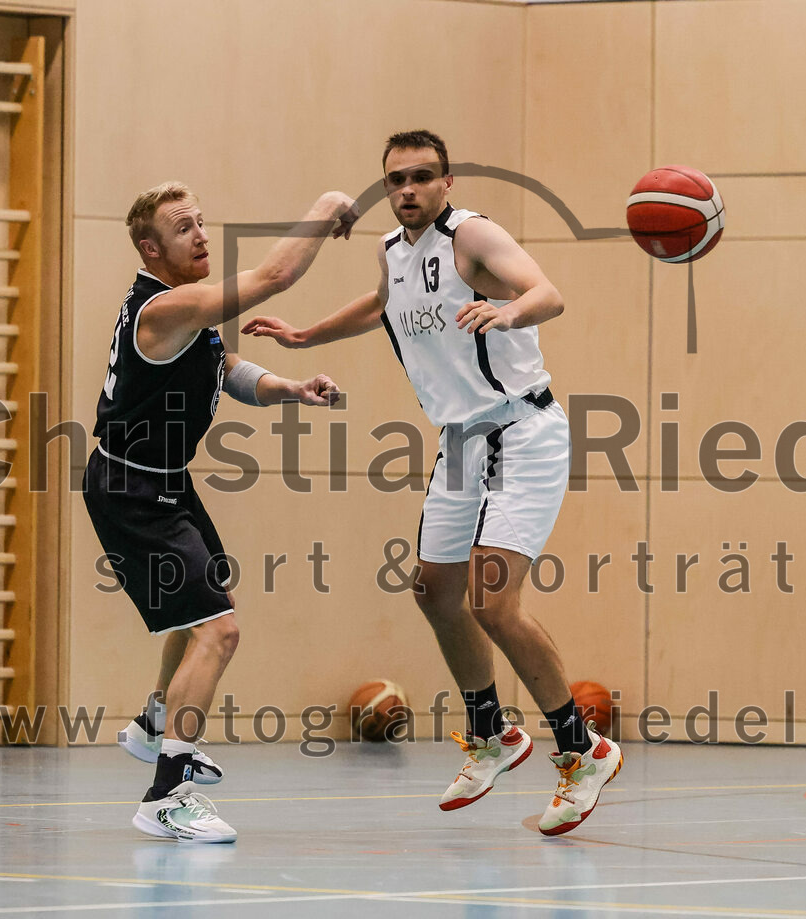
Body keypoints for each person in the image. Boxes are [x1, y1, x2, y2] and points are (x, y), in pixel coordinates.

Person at [241, 130, 622, 836]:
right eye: (395, 179)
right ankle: (493, 734)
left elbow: (549, 292)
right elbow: (380, 305)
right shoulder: (393, 251)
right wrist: (305, 336)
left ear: (447, 181)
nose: (407, 189)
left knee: (492, 601)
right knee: (433, 591)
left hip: (523, 433)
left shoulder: (473, 236)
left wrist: (509, 309)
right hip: (461, 443)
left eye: (421, 176)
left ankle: (581, 747)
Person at [83, 181, 357, 843]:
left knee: (205, 605)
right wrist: (324, 206)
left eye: (202, 222)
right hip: (132, 489)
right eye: (185, 229)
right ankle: (165, 796)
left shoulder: (184, 317)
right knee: (220, 630)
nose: (202, 234)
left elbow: (222, 365)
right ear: (152, 248)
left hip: (163, 481)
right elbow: (273, 275)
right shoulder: (164, 307)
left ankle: (155, 722)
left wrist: (287, 387)